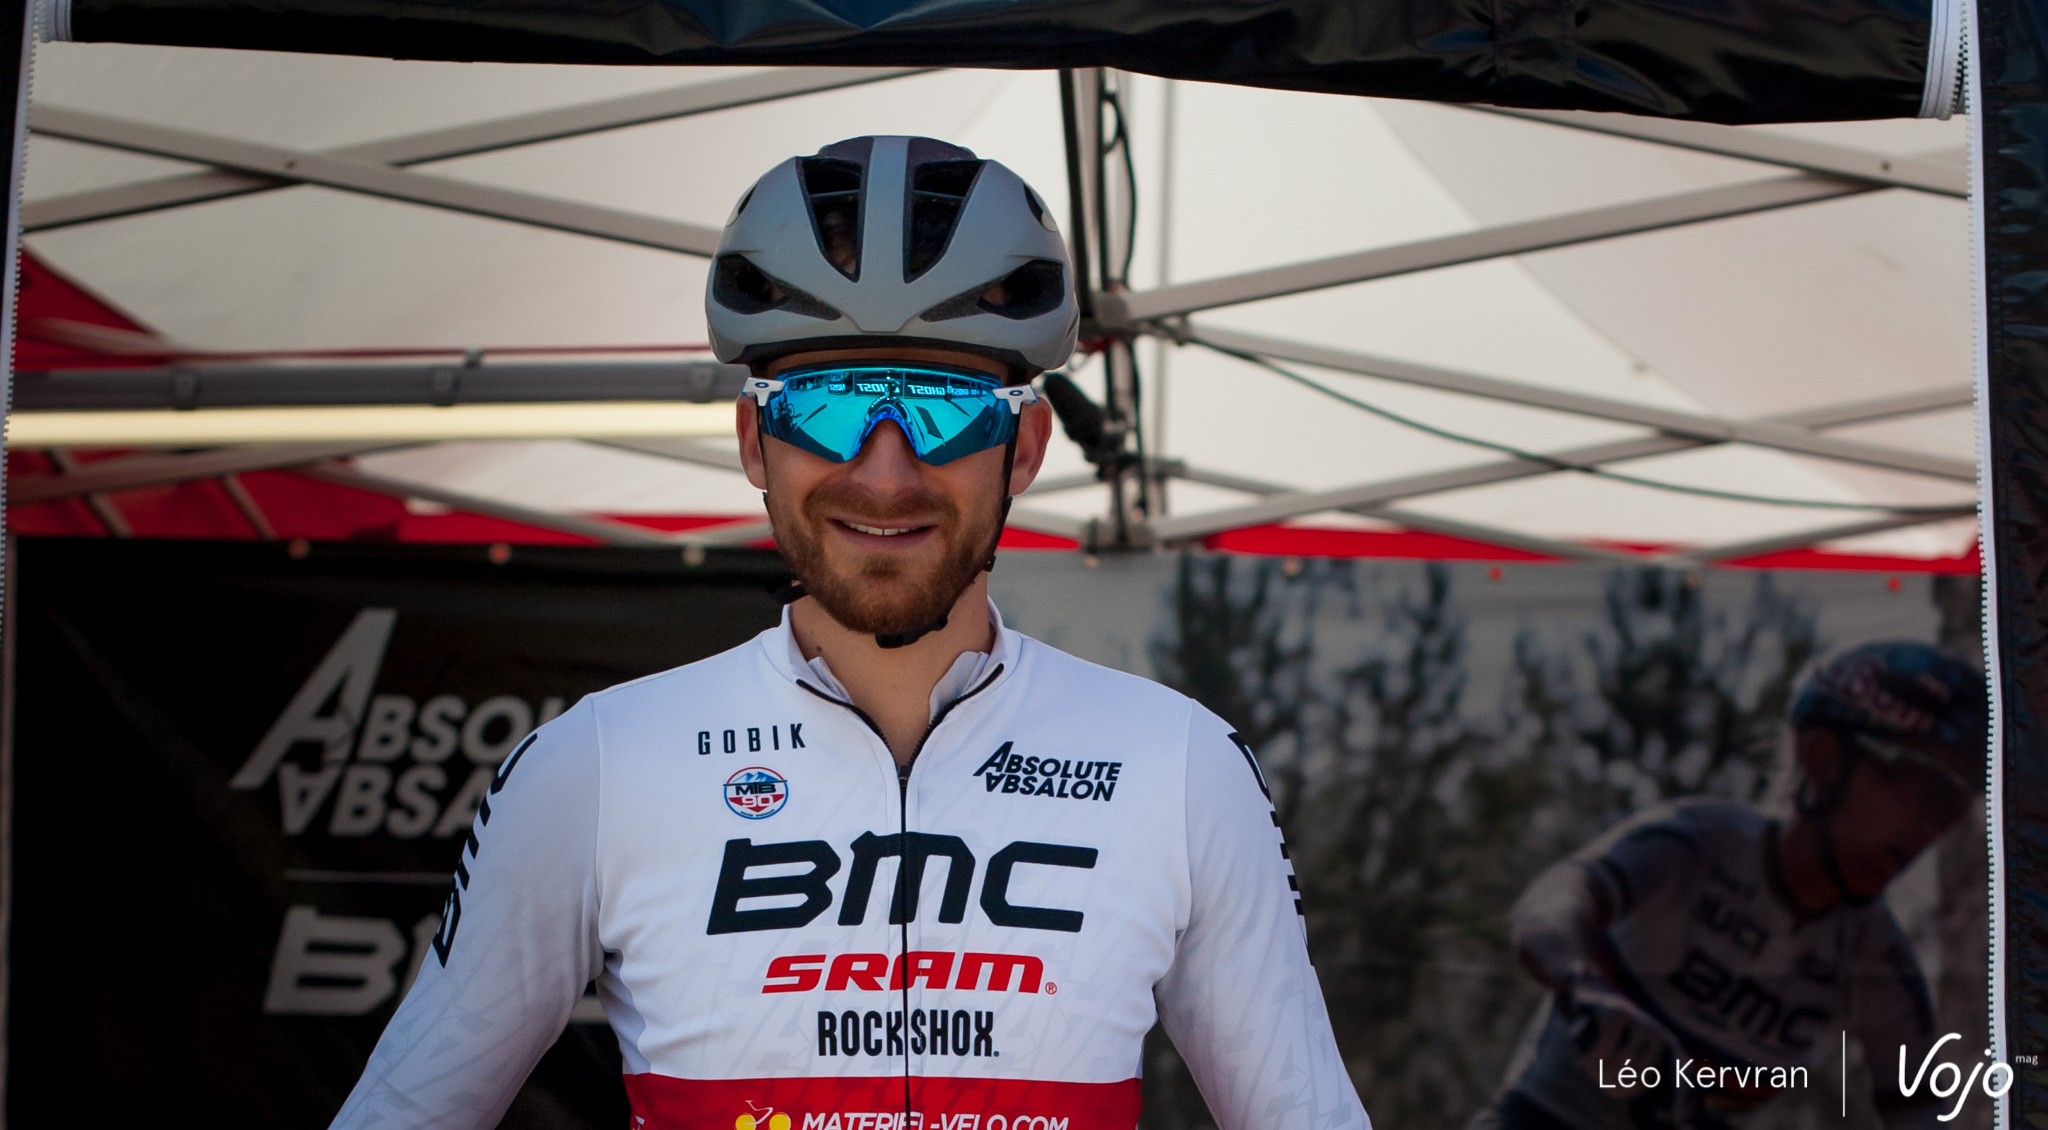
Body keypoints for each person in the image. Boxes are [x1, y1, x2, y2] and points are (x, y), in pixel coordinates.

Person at [331, 136, 1371, 1130]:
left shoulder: (1179, 766)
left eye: (945, 408)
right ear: (754, 438)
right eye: (826, 406)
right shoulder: (592, 767)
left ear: (1024, 446)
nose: (884, 471)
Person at [1472, 641, 1985, 1130]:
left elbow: (1921, 1114)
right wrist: (1584, 983)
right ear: (1823, 759)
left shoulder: (1881, 963)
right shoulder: (1696, 843)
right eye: (1920, 789)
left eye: (1953, 807)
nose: (1931, 827)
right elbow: (1551, 903)